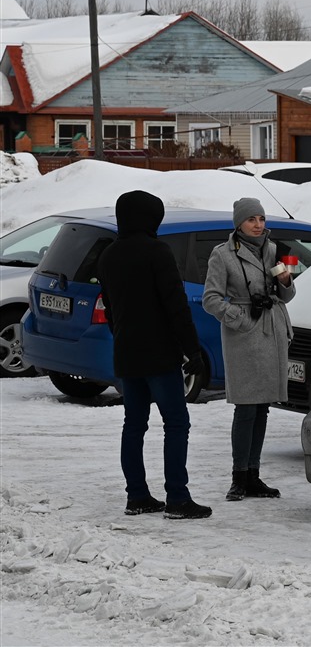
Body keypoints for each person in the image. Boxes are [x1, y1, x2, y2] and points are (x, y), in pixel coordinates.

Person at [97, 190, 211, 520]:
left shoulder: (108, 255)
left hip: (126, 353)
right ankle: (177, 497)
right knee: (176, 423)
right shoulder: (157, 252)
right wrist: (192, 351)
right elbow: (175, 307)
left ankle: (137, 496)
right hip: (160, 355)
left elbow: (111, 311)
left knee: (134, 425)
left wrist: (122, 338)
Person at [202, 198, 296, 502]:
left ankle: (254, 475)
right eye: (252, 219)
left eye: (261, 218)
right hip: (244, 336)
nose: (258, 225)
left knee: (262, 406)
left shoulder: (272, 250)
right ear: (238, 223)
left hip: (271, 332)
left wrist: (285, 281)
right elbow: (211, 299)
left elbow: (288, 294)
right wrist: (239, 319)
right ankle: (239, 476)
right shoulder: (223, 255)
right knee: (246, 406)